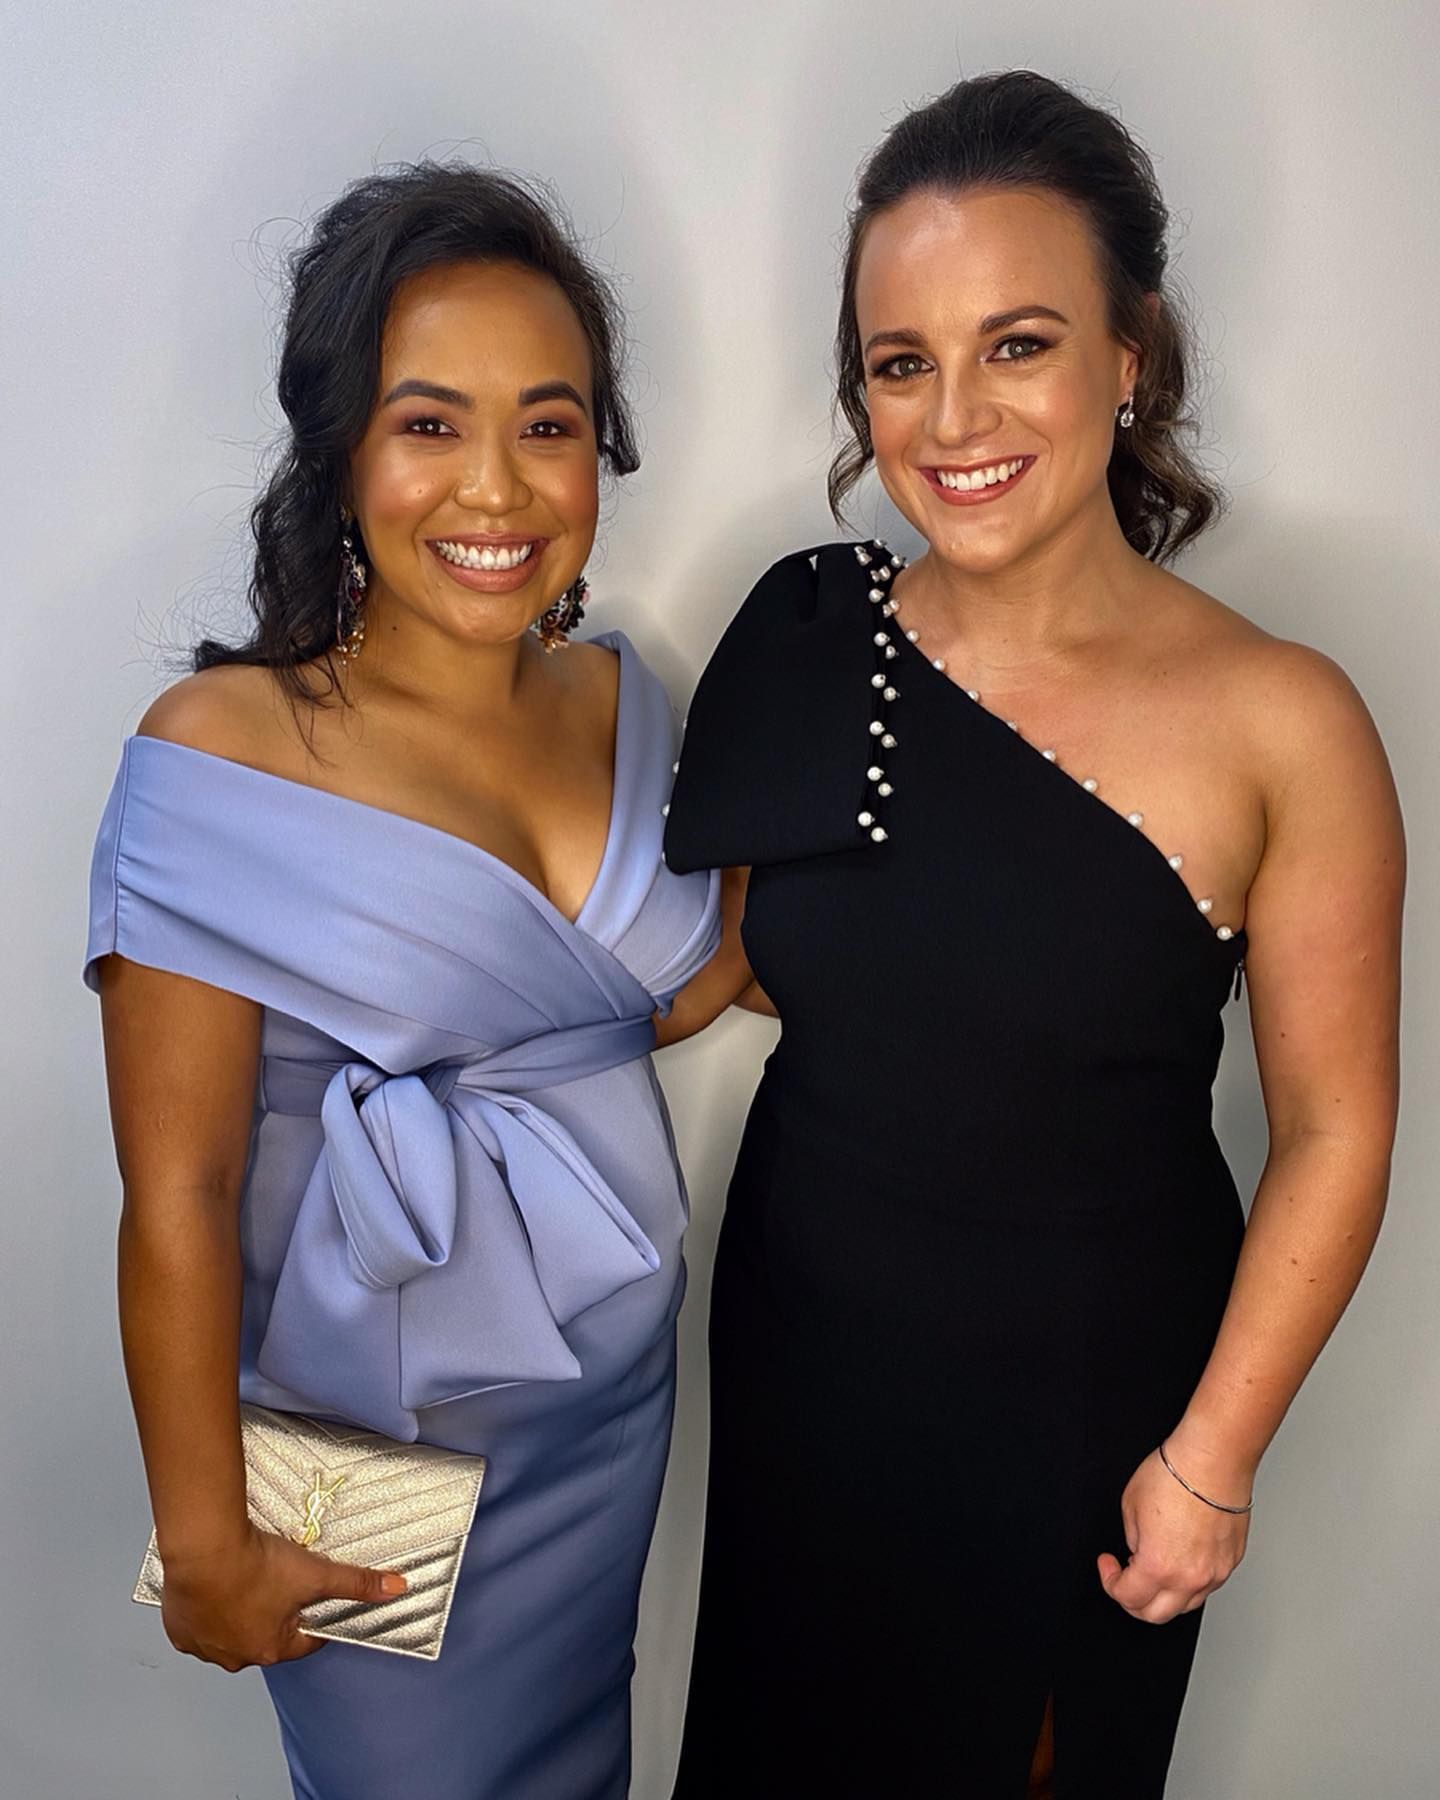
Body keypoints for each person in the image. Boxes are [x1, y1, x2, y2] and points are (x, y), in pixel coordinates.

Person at [662, 71, 1403, 1798]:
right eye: (899, 361)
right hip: (806, 1365)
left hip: (1087, 1412)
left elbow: (1335, 1132)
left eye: (1018, 343)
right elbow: (734, 964)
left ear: (1131, 356)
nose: (952, 416)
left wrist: (1212, 1460)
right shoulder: (809, 629)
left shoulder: (1286, 719)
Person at [85, 162, 727, 1800]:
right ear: (341, 451)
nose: (497, 487)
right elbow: (179, 1191)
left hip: (605, 1411)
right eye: (429, 422)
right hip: (367, 1455)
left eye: (548, 423)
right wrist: (204, 1542)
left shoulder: (623, 701)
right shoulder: (220, 753)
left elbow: (615, 1009)